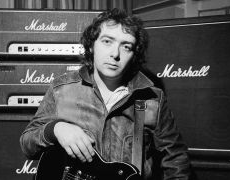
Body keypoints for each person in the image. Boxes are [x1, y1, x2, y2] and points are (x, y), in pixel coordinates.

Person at [20, 8, 190, 180]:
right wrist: (55, 129)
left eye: (126, 46)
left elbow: (175, 160)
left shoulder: (152, 98)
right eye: (107, 41)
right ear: (92, 45)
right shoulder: (61, 88)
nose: (115, 54)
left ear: (134, 54)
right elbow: (28, 145)